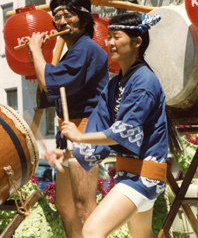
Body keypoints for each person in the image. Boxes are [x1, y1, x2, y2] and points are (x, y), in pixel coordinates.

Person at [45, 12, 183, 238]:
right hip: (130, 174)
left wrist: (79, 138)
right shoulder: (114, 86)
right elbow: (97, 128)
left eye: (116, 36)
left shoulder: (145, 81)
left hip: (144, 176)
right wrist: (70, 155)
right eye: (108, 36)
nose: (109, 42)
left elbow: (124, 132)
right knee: (142, 236)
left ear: (137, 42)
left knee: (91, 230)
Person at [28, 0, 109, 238]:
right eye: (57, 16)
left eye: (68, 15)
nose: (61, 21)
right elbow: (51, 83)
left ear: (84, 19)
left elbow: (50, 82)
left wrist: (36, 50)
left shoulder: (87, 49)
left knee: (85, 207)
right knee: (65, 205)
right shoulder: (74, 51)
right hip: (69, 133)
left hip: (85, 130)